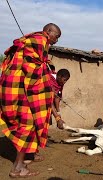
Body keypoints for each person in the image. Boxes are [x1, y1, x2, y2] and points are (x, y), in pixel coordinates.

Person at [0, 23, 61, 178]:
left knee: (31, 124)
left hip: (19, 89)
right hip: (20, 90)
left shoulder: (35, 41)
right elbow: (32, 70)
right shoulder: (40, 39)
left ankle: (28, 156)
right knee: (26, 126)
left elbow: (34, 63)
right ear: (49, 32)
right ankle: (18, 168)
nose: (56, 40)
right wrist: (46, 80)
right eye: (56, 36)